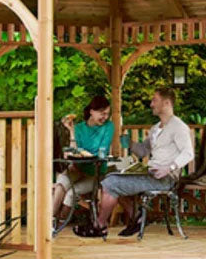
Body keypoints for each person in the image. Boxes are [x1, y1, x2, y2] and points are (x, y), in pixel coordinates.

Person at [73, 87, 194, 238]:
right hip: (150, 174)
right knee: (113, 177)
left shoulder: (178, 127)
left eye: (154, 100)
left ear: (167, 103)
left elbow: (188, 153)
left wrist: (169, 168)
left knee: (111, 183)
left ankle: (100, 225)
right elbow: (143, 151)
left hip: (165, 178)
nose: (151, 104)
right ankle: (137, 217)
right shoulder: (156, 128)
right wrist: (129, 143)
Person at [52, 96, 114, 220]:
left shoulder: (108, 127)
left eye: (107, 114)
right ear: (92, 111)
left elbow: (102, 150)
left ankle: (59, 224)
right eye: (102, 113)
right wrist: (71, 131)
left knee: (70, 194)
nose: (105, 117)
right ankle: (49, 221)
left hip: (96, 173)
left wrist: (80, 152)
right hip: (77, 169)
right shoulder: (79, 128)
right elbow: (73, 150)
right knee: (61, 184)